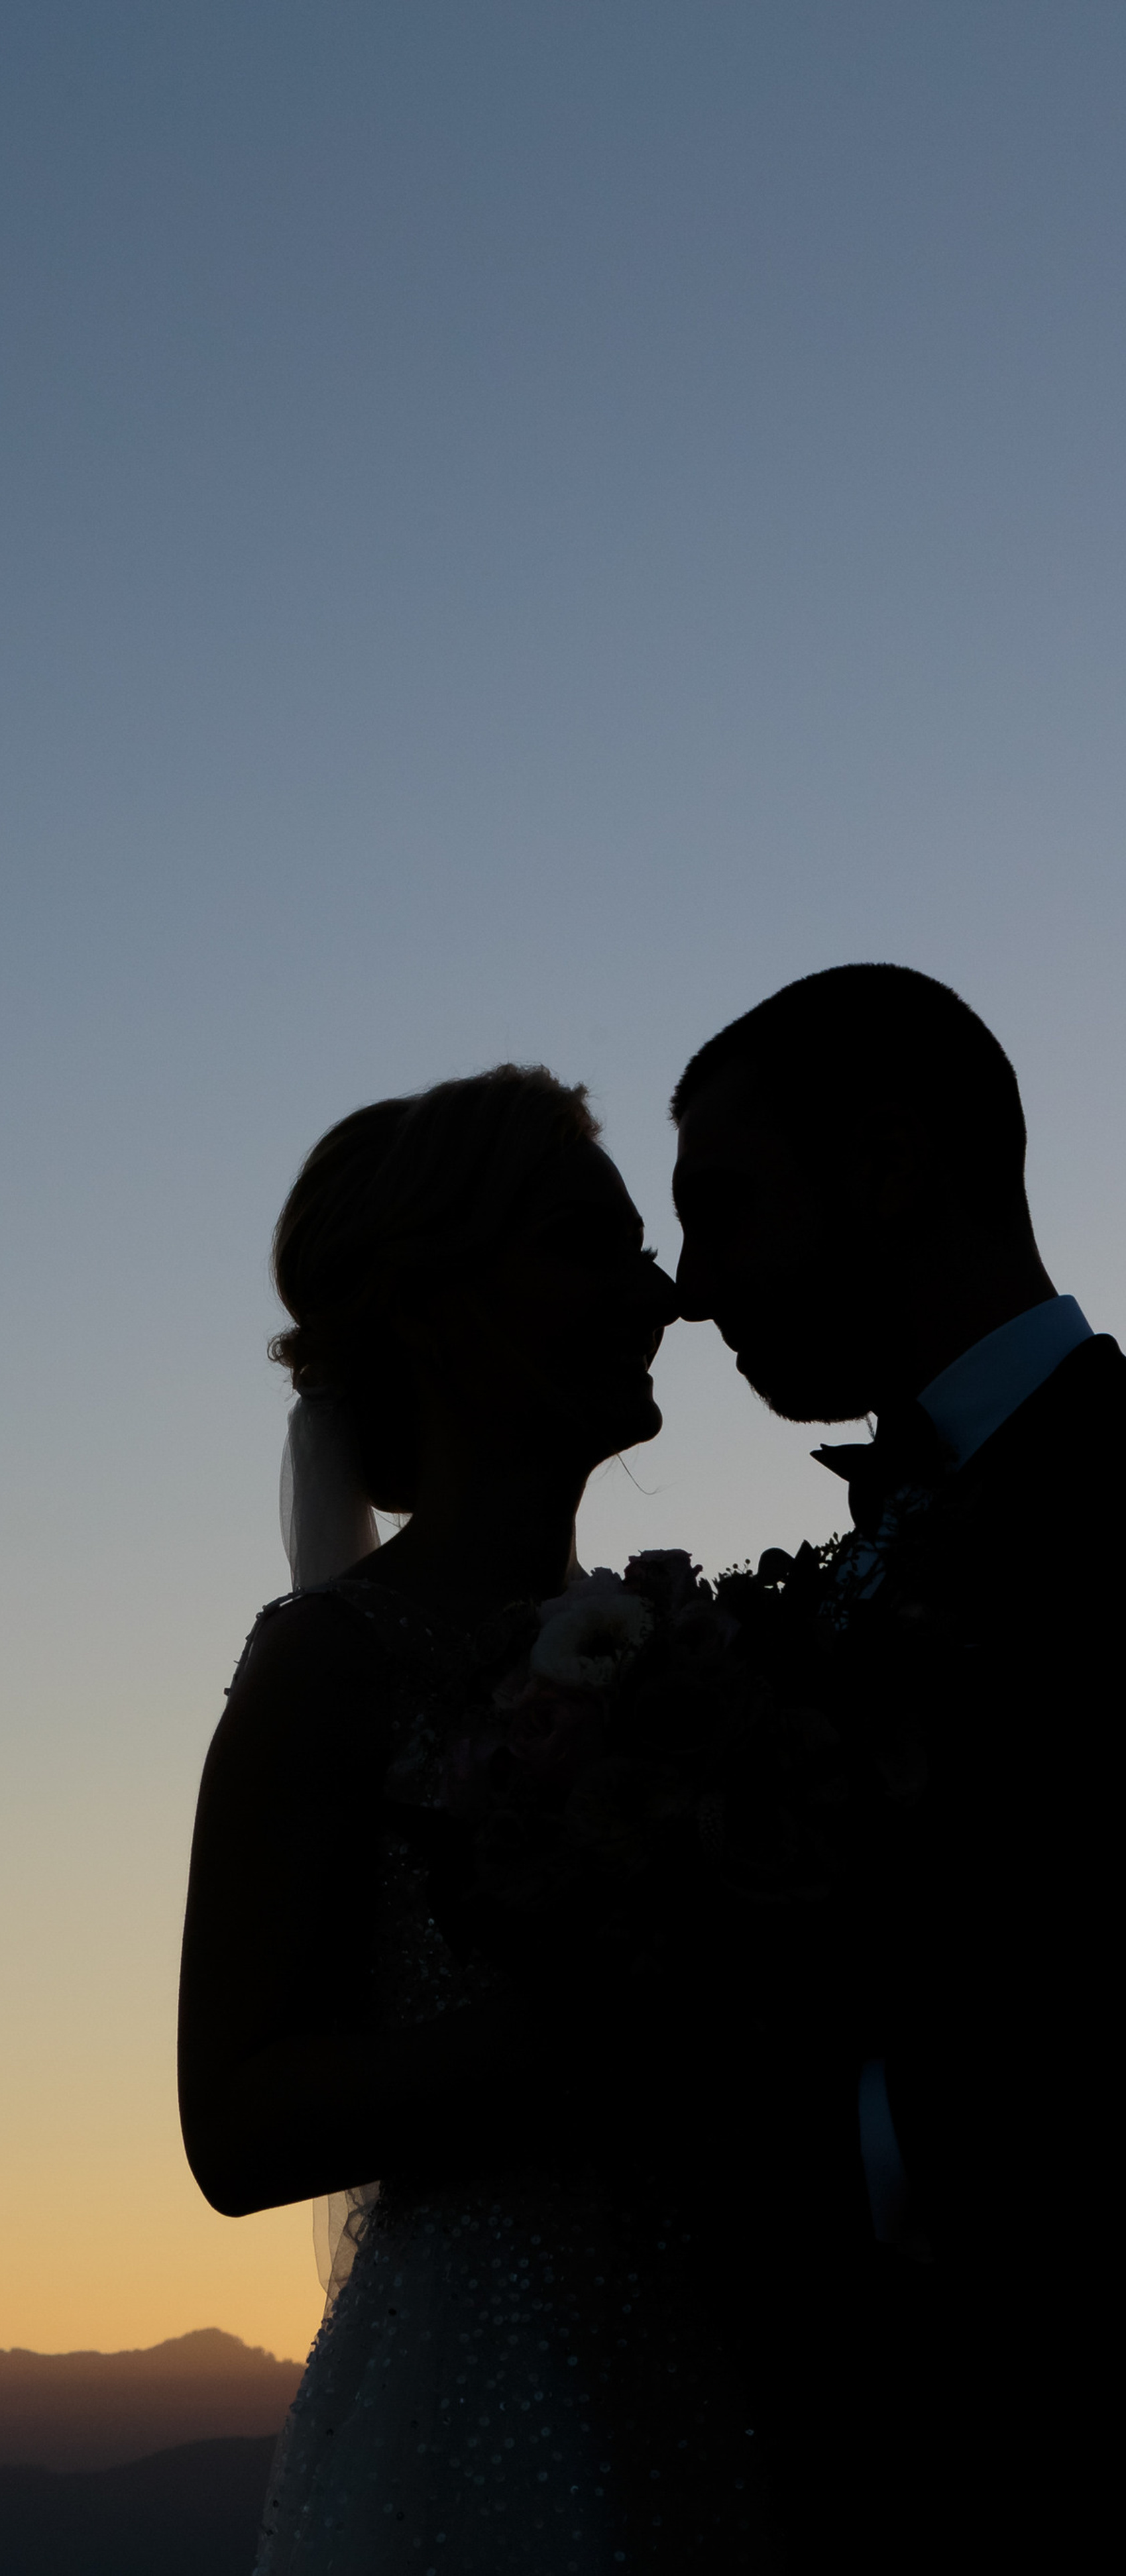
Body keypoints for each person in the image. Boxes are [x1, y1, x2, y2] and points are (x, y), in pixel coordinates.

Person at [179, 1064, 783, 2575]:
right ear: (441, 1308)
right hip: (485, 2407)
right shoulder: (331, 1661)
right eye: (591, 1245)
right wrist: (568, 2036)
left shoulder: (673, 1647)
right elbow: (233, 2123)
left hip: (736, 2360)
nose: (657, 1296)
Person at [671, 963, 1123, 2571]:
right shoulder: (843, 1564)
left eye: (717, 1214)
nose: (685, 1288)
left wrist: (814, 2151)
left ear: (882, 1169)